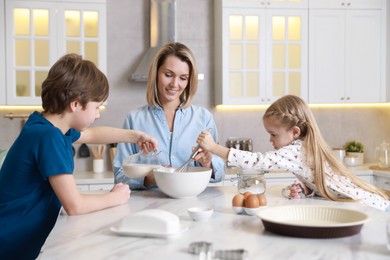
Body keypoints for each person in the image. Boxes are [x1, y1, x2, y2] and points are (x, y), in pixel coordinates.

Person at [0, 53, 158, 259]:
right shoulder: (48, 137)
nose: (98, 114)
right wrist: (114, 197)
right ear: (75, 104)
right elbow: (75, 206)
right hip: (9, 246)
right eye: (96, 106)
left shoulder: (47, 127)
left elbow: (92, 134)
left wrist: (135, 136)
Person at [196, 95, 390, 211]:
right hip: (373, 204)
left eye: (273, 134)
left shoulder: (295, 151)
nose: (270, 140)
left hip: (374, 207)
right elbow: (323, 182)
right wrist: (307, 188)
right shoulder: (306, 148)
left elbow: (257, 161)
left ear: (295, 132)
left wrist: (214, 148)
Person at [114, 42, 225, 189]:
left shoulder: (203, 118)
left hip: (191, 203)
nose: (175, 84)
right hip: (149, 207)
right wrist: (148, 179)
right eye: (168, 75)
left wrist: (208, 163)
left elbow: (220, 173)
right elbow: (120, 176)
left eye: (183, 78)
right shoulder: (134, 120)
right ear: (156, 74)